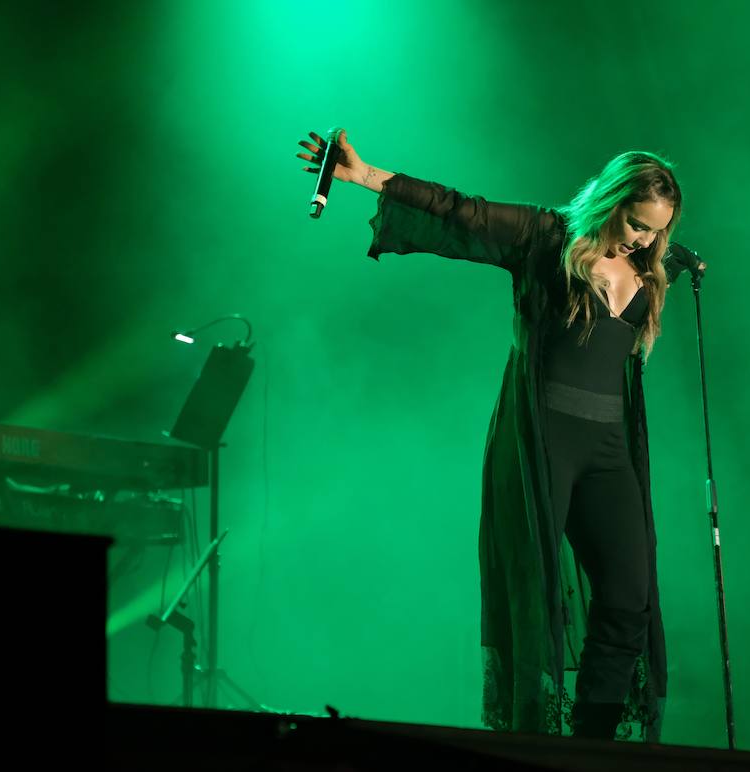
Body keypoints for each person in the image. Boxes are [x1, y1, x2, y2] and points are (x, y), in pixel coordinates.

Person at [297, 128, 703, 742]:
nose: (642, 238)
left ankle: (593, 745)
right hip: (545, 437)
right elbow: (464, 210)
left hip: (611, 448)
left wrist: (651, 257)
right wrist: (367, 176)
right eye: (634, 222)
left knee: (629, 596)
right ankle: (539, 744)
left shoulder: (651, 271)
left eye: (654, 230)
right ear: (611, 200)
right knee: (538, 598)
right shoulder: (547, 237)